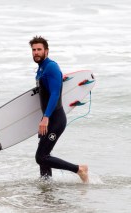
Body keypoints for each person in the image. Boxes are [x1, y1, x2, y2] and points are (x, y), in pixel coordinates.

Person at [29, 36, 89, 183]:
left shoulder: (51, 67)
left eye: (39, 49)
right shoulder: (42, 69)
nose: (36, 52)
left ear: (46, 51)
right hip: (48, 119)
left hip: (55, 119)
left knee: (41, 157)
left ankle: (79, 169)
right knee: (44, 157)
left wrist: (46, 117)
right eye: (33, 50)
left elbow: (55, 94)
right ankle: (46, 188)